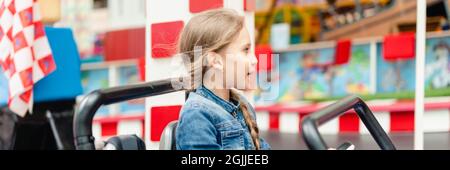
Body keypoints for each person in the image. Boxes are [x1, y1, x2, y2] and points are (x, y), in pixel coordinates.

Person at [175, 9, 271, 150]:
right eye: (245, 50)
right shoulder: (196, 116)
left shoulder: (242, 105)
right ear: (215, 61)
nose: (255, 60)